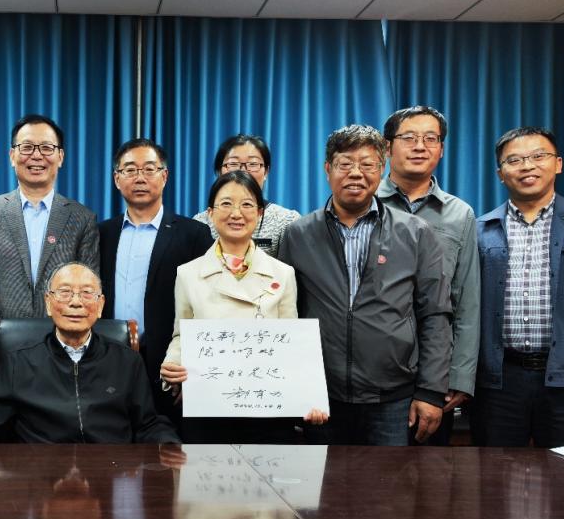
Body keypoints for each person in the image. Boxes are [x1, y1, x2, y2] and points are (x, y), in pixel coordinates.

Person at [278, 124, 452, 446]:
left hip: (393, 397)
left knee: (389, 480)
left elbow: (435, 315)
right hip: (322, 397)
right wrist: (294, 388)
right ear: (328, 169)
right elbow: (286, 317)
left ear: (381, 169)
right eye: (345, 164)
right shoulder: (298, 234)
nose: (356, 173)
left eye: (368, 164)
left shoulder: (415, 233)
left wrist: (430, 391)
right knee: (323, 479)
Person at [472, 126, 564, 448]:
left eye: (539, 156)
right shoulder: (479, 230)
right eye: (515, 160)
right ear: (500, 173)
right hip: (499, 381)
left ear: (558, 164)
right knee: (494, 471)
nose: (527, 166)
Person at [160, 170, 326, 443]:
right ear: (210, 213)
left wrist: (309, 396)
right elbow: (181, 335)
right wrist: (171, 365)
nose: (236, 213)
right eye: (226, 203)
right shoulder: (188, 273)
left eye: (247, 204)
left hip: (267, 404)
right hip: (209, 404)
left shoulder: (283, 273)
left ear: (259, 213)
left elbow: (292, 345)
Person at [0, 262, 179, 444]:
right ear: (48, 303)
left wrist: (169, 446)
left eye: (87, 293)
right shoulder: (18, 362)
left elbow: (148, 424)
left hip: (109, 475)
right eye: (65, 292)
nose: (76, 302)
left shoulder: (127, 360)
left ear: (100, 305)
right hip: (40, 475)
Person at [378, 106, 479, 445]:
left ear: (441, 149)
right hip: (375, 371)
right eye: (409, 137)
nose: (420, 146)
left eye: (430, 138)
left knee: (430, 473)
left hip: (436, 373)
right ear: (387, 148)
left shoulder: (460, 214)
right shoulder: (364, 203)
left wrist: (459, 377)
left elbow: (467, 300)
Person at [98, 138, 212, 428]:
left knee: (169, 449)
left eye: (149, 169)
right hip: (109, 362)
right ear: (117, 178)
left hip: (170, 368)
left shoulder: (194, 234)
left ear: (165, 176)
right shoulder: (101, 234)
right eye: (130, 170)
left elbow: (206, 308)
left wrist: (197, 372)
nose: (140, 178)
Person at [0, 114, 99, 338]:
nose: (37, 156)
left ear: (60, 157)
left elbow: (88, 288)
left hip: (61, 344)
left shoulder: (83, 218)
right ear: (12, 156)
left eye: (47, 148)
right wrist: (0, 335)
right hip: (1, 344)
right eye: (27, 147)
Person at [193, 134, 300, 257]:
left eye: (253, 164)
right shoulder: (200, 223)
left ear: (266, 171)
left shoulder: (287, 221)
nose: (243, 171)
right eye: (233, 163)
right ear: (219, 171)